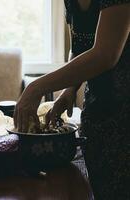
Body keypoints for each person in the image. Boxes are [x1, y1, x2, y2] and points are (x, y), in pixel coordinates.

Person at [13, 0, 129, 199]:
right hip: (98, 110)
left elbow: (106, 54)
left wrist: (36, 87)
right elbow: (79, 48)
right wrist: (69, 90)